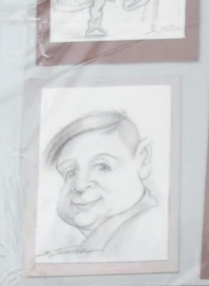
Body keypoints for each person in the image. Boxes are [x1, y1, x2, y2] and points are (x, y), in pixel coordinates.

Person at [37, 109, 163, 261]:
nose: (80, 185)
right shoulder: (100, 247)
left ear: (143, 160)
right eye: (70, 172)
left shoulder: (146, 238)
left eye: (102, 166)